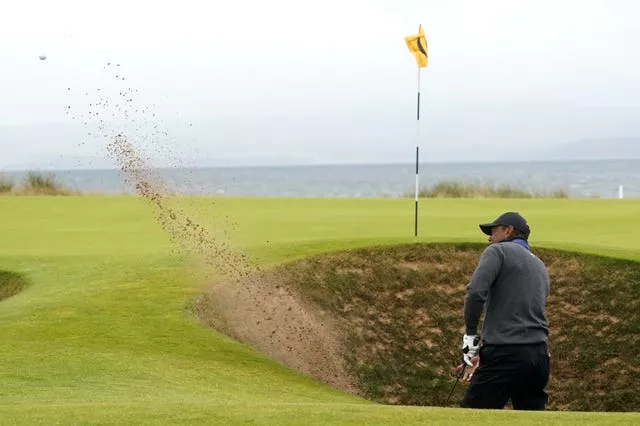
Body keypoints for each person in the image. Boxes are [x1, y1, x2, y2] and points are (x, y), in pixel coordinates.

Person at [458, 211, 551, 410]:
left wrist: (470, 337)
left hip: (506, 353)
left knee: (472, 417)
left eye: (493, 232)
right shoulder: (540, 265)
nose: (490, 238)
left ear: (508, 231)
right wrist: (484, 354)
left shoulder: (497, 251)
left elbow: (475, 293)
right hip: (539, 357)